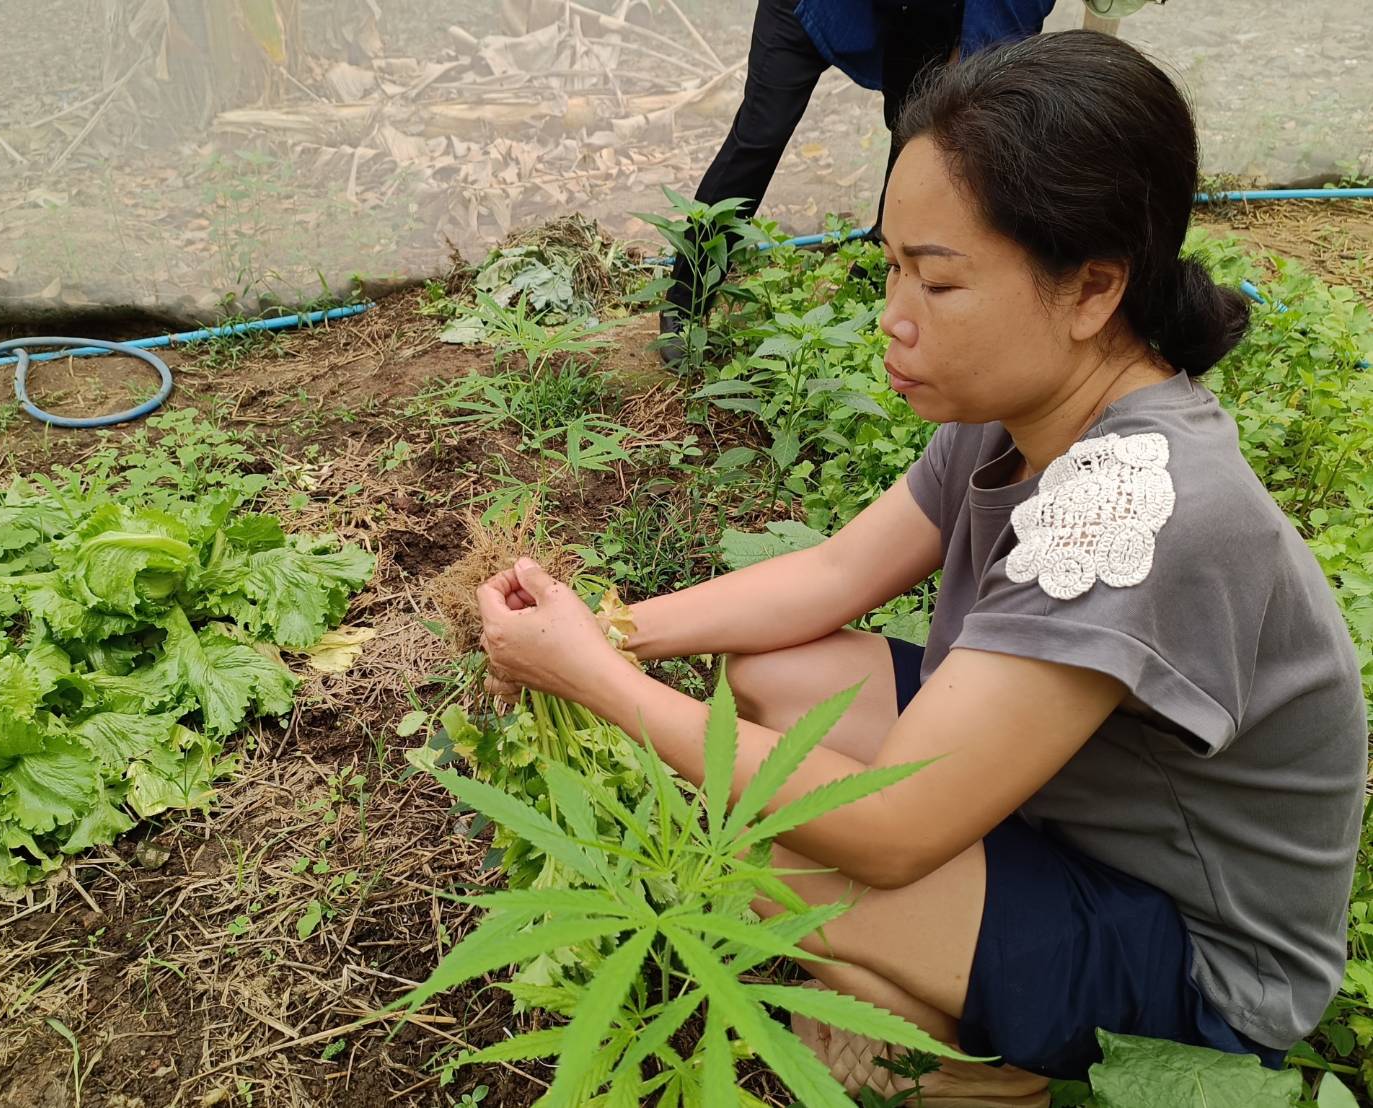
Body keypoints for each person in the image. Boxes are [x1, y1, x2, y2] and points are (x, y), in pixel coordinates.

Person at [477, 30, 1367, 1100]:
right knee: (778, 680)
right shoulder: (1024, 404)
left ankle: (998, 1075)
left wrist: (594, 681)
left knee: (757, 837)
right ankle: (948, 989)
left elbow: (890, 832)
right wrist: (612, 628)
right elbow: (832, 574)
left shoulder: (1128, 503)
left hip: (1192, 957)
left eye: (937, 283)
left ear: (1091, 288)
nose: (892, 320)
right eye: (891, 266)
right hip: (1071, 821)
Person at [660, 0, 1058, 364]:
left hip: (922, 16)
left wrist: (971, 75)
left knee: (916, 136)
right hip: (806, 6)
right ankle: (686, 297)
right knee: (759, 135)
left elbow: (994, 49)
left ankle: (880, 261)